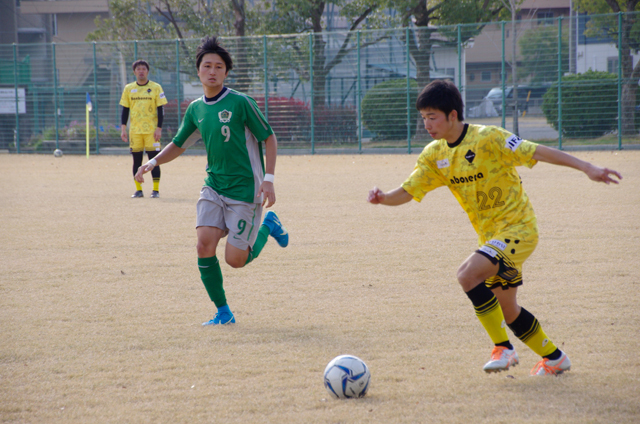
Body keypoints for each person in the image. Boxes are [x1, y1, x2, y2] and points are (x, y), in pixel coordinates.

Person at [368, 80, 622, 376]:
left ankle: (503, 348)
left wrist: (587, 167)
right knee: (507, 310)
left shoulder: (488, 138)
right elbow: (409, 190)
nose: (426, 124)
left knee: (467, 274)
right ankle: (555, 358)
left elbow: (536, 151)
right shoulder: (434, 155)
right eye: (423, 117)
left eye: (432, 117)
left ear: (452, 115)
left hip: (519, 229)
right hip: (492, 239)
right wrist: (384, 198)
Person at [134, 36, 288, 326]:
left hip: (246, 190)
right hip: (213, 187)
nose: (213, 71)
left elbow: (269, 137)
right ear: (199, 71)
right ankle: (223, 312)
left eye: (219, 66)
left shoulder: (241, 103)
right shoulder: (196, 109)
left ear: (226, 72)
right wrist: (152, 162)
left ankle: (269, 224)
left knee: (235, 260)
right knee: (204, 246)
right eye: (207, 66)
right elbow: (179, 144)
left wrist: (269, 179)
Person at [120, 59, 168, 198]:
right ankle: (138, 190)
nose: (141, 71)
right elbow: (125, 110)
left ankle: (156, 190)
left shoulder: (156, 87)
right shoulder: (128, 88)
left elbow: (161, 110)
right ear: (134, 72)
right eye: (138, 69)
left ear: (147, 71)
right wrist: (123, 129)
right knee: (137, 161)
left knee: (154, 160)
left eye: (144, 69)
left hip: (152, 132)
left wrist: (159, 128)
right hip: (135, 132)